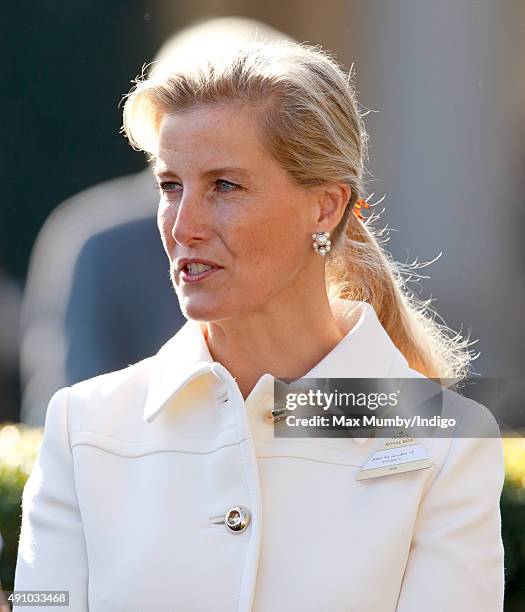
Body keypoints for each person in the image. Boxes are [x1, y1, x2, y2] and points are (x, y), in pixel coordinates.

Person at [13, 39, 505, 611]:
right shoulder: (83, 425)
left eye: (225, 186)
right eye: (171, 186)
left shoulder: (445, 441)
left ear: (325, 207)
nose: (184, 225)